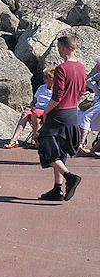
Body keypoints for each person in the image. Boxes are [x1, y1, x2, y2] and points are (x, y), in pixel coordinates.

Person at [38, 34, 86, 202]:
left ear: (65, 48)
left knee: (46, 145)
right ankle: (57, 189)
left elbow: (57, 96)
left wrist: (45, 112)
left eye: (59, 48)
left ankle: (69, 176)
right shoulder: (81, 67)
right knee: (61, 150)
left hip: (59, 113)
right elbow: (81, 92)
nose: (58, 50)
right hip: (73, 112)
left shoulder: (62, 68)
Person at [7, 81, 53, 148]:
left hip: (47, 112)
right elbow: (33, 102)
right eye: (45, 77)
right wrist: (32, 107)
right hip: (37, 110)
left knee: (36, 113)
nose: (45, 79)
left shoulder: (57, 89)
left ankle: (35, 138)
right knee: (25, 114)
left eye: (48, 77)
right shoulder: (41, 88)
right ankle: (14, 140)